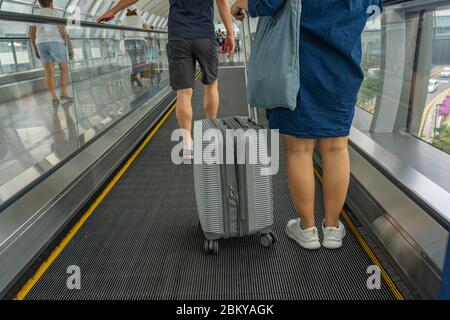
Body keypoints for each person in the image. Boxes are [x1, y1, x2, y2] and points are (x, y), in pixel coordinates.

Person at [231, 0, 382, 249]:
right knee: (336, 147)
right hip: (343, 68)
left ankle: (307, 228)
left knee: (298, 150)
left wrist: (242, 5)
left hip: (298, 66)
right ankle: (333, 229)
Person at [98, 0, 236, 160]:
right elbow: (223, 2)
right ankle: (211, 133)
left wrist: (113, 11)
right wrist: (230, 33)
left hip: (178, 37)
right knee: (211, 84)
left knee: (183, 92)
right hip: (204, 35)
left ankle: (187, 144)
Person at [29, 0, 74, 104]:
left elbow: (32, 33)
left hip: (41, 43)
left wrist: (35, 49)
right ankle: (63, 94)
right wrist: (70, 47)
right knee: (64, 68)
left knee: (49, 72)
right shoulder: (56, 13)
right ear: (51, 2)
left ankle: (54, 97)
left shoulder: (35, 14)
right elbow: (63, 32)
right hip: (55, 42)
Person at [122, 5, 150, 88]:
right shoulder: (140, 18)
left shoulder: (124, 19)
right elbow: (147, 28)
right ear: (136, 10)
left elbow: (123, 32)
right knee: (142, 60)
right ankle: (138, 76)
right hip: (139, 40)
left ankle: (133, 75)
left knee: (133, 60)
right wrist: (149, 37)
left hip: (128, 41)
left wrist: (125, 37)